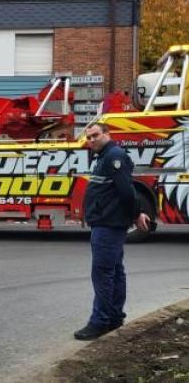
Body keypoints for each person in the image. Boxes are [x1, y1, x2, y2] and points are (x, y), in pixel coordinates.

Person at [74, 122, 150, 341]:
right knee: (114, 272)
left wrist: (136, 213)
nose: (91, 140)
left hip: (108, 225)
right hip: (107, 223)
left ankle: (99, 322)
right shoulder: (104, 156)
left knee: (103, 274)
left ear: (107, 134)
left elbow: (126, 191)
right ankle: (115, 317)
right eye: (88, 137)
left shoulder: (114, 157)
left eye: (95, 135)